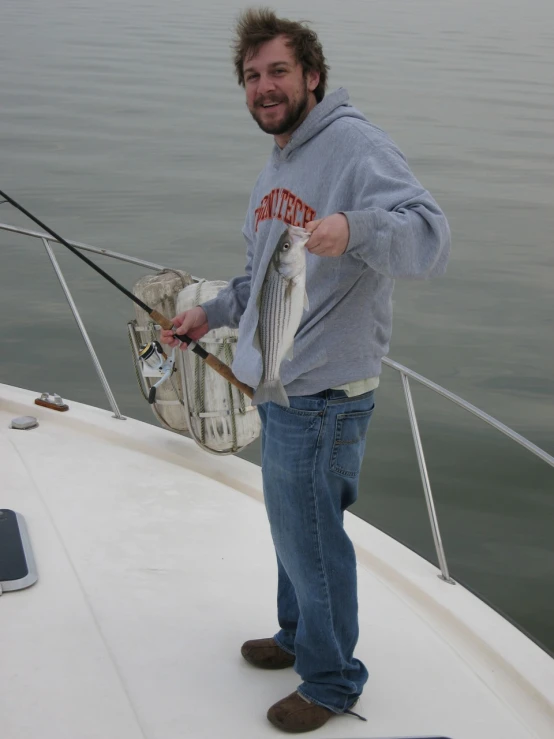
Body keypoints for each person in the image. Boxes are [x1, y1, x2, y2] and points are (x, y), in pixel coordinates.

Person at [161, 8, 450, 734]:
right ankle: (297, 636)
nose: (264, 86)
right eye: (253, 76)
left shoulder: (355, 147)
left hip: (324, 393)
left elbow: (429, 237)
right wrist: (214, 311)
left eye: (279, 71)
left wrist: (353, 227)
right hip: (281, 387)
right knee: (294, 529)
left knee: (314, 537)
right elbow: (262, 275)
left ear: (313, 76)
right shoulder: (281, 161)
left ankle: (330, 680)